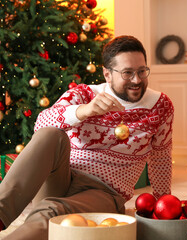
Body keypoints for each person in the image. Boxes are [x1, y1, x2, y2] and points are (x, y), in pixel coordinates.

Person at [0, 35, 174, 239]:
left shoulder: (160, 106)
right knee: (51, 134)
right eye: (127, 73)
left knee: (51, 210)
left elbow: (161, 159)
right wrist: (83, 111)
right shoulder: (84, 94)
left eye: (142, 71)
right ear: (107, 74)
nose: (136, 80)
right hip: (62, 179)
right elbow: (41, 124)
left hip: (105, 193)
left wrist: (165, 206)